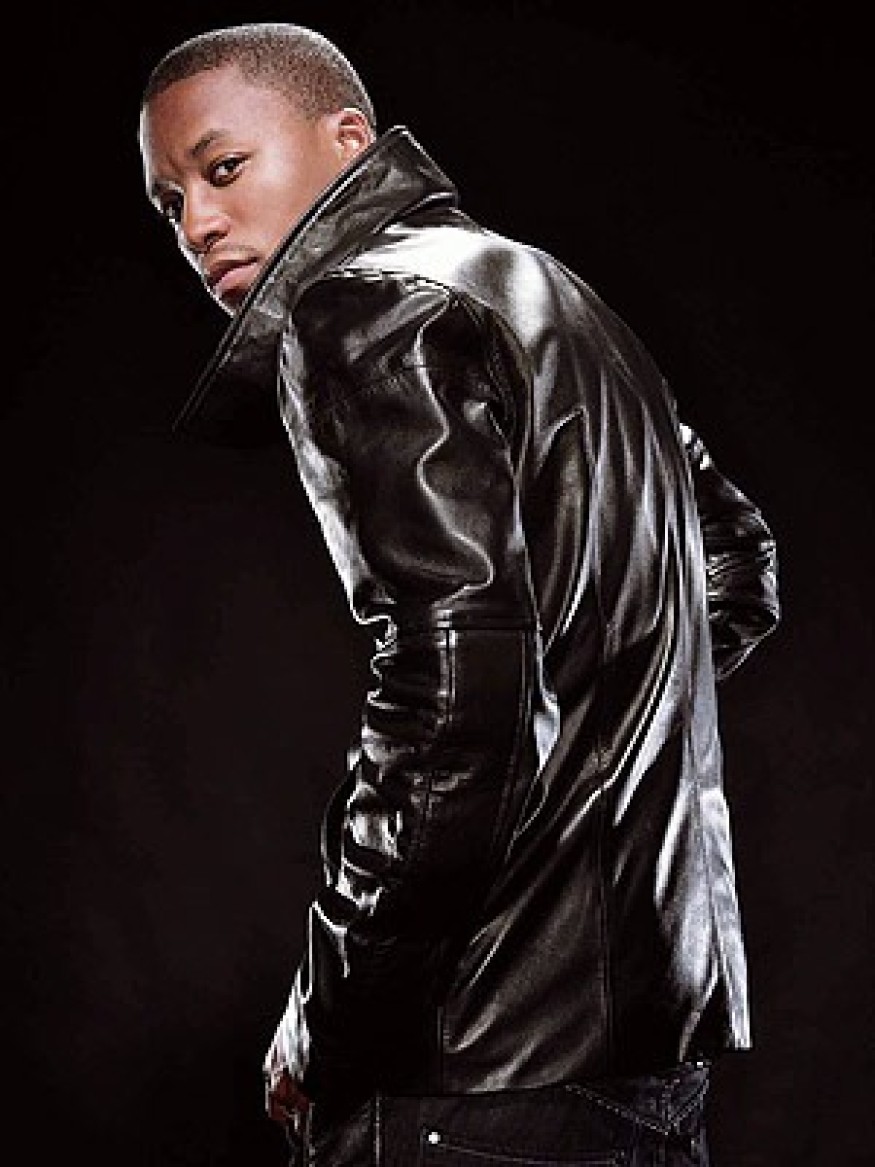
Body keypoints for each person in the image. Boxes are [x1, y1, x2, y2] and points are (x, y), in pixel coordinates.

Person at [138, 22, 780, 1167]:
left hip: (473, 1063)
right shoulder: (561, 301)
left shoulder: (357, 308)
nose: (195, 224)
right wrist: (592, 746)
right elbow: (732, 563)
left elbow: (452, 704)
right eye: (169, 202)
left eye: (222, 168)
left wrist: (333, 1021)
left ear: (348, 139)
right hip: (648, 1041)